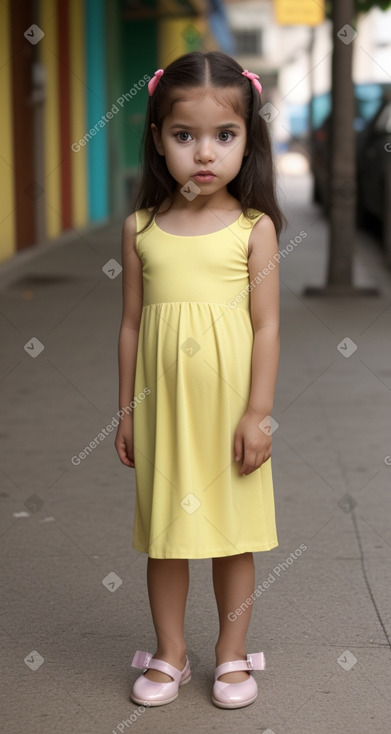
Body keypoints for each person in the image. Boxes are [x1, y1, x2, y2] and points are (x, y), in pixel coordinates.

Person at [115, 50, 286, 710]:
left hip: (229, 412)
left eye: (225, 135)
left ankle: (231, 654)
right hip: (164, 414)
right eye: (184, 136)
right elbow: (131, 325)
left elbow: (266, 327)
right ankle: (170, 654)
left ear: (249, 139)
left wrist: (258, 412)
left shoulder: (254, 230)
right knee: (167, 537)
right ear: (158, 139)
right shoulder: (141, 231)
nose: (204, 154)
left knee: (231, 535)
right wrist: (126, 410)